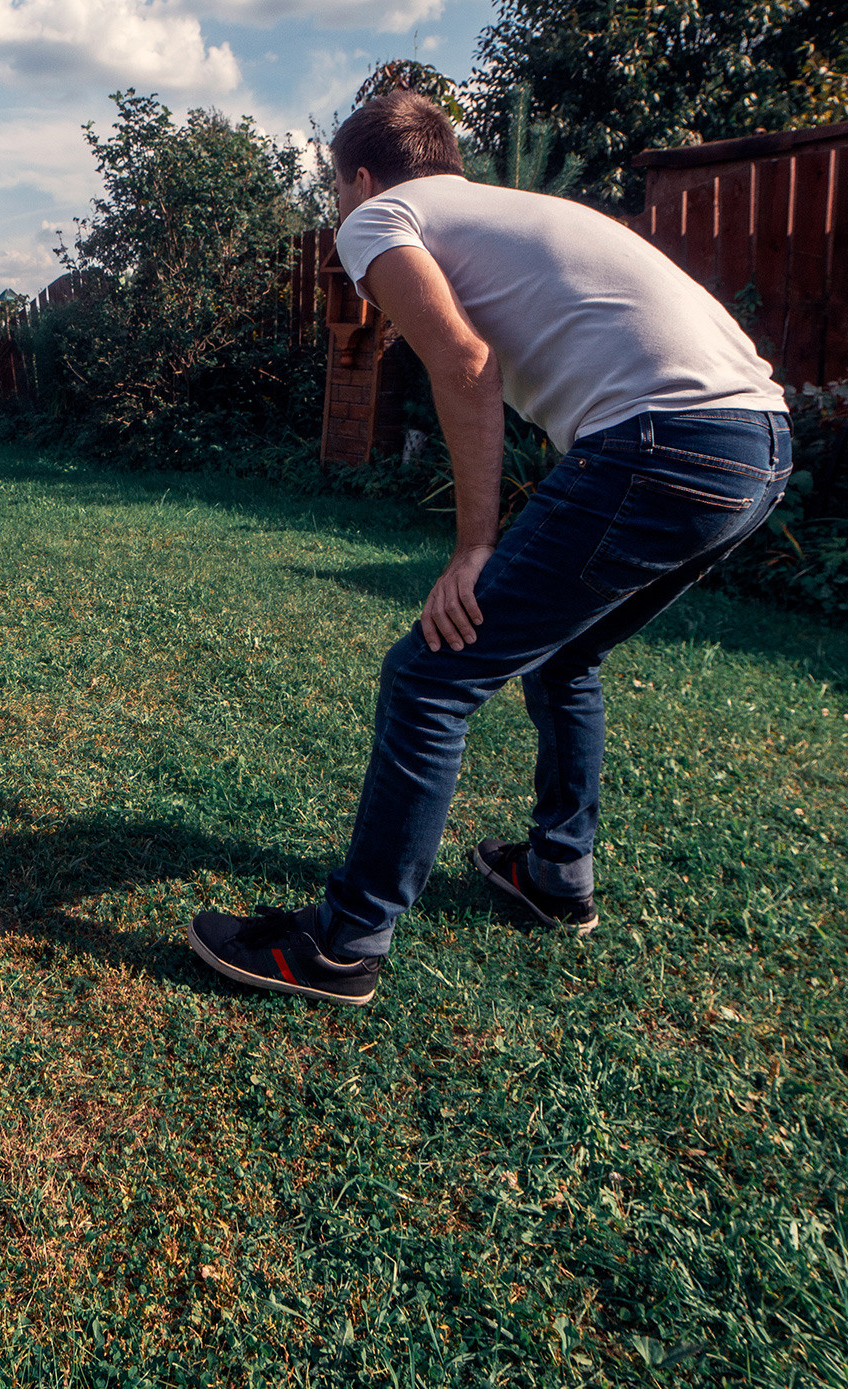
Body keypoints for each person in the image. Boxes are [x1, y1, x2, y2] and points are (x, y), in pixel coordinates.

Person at [187, 90, 791, 1007]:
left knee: (432, 673)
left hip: (665, 441)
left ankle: (346, 944)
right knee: (568, 652)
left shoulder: (378, 216)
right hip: (761, 441)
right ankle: (555, 874)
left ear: (358, 176)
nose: (339, 213)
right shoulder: (503, 209)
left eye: (335, 192)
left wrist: (475, 548)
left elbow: (465, 363)